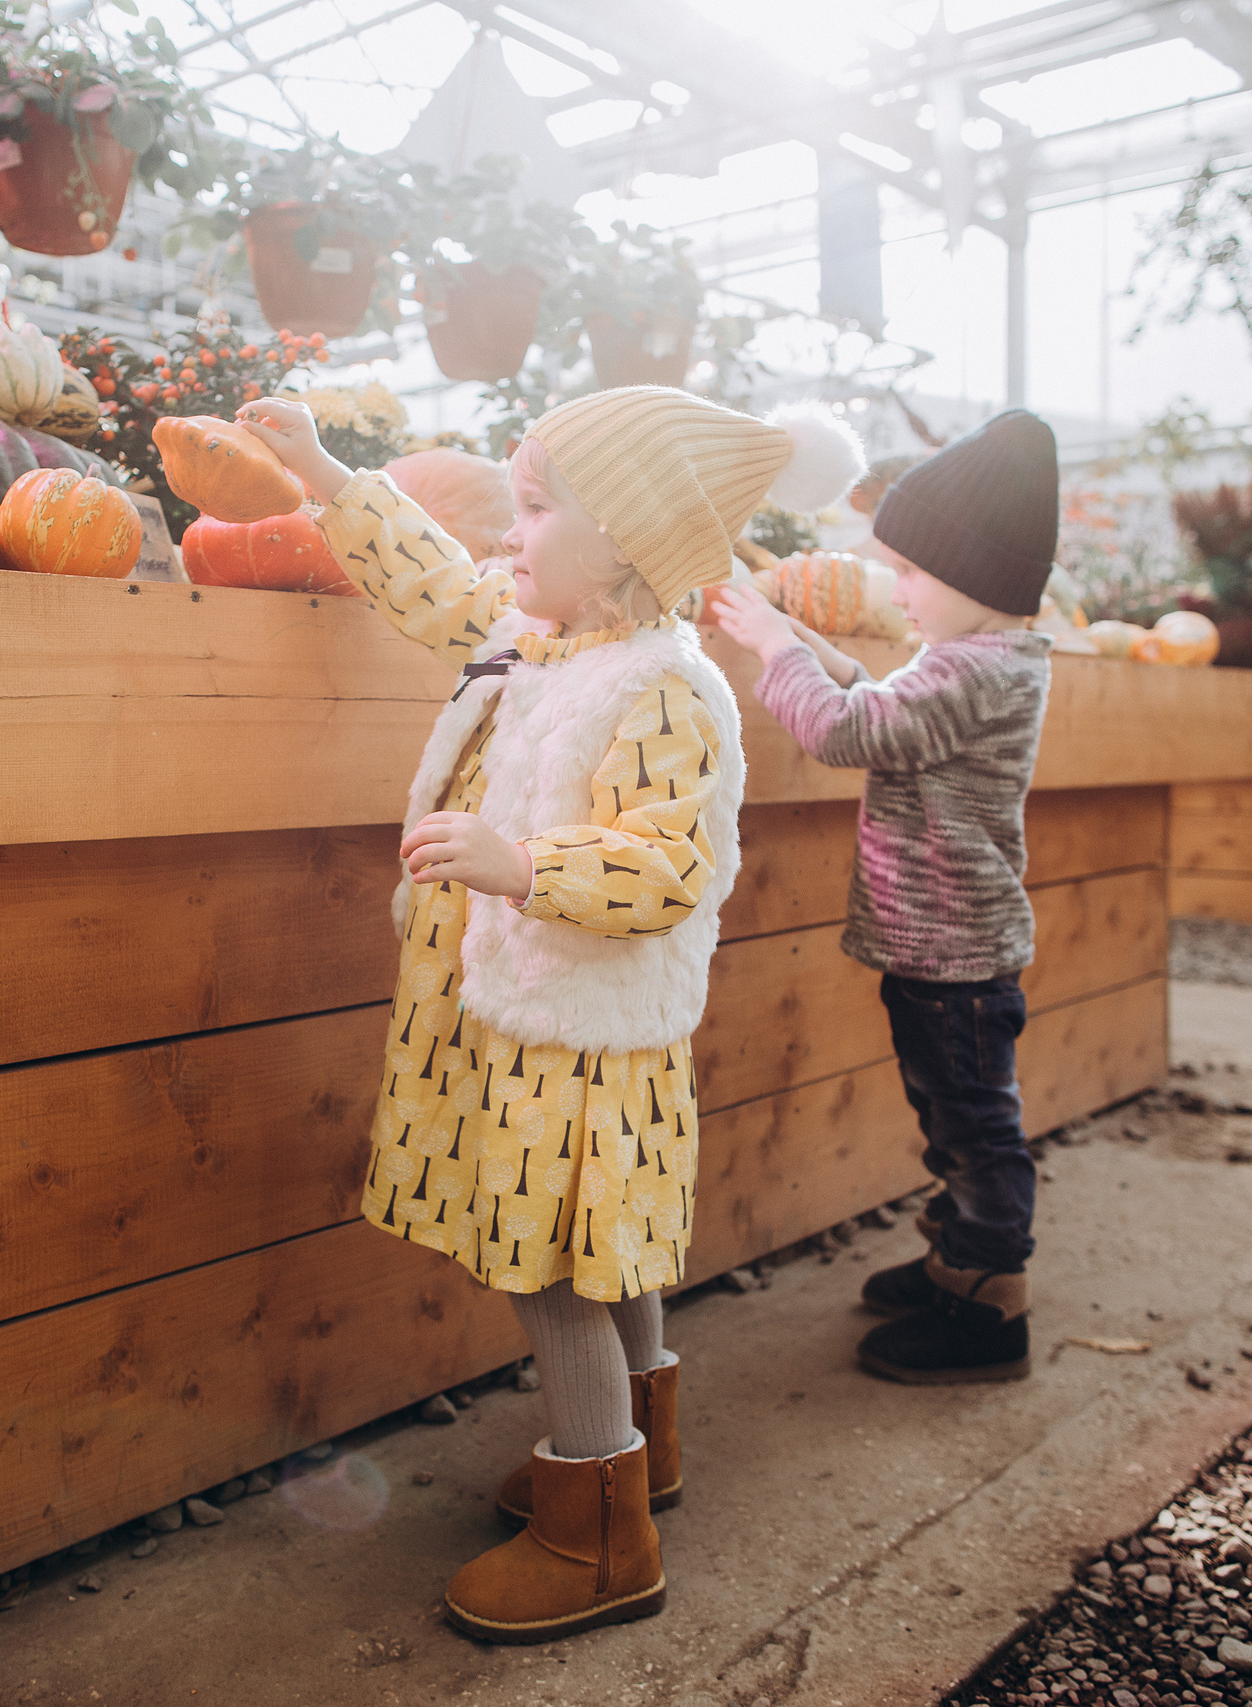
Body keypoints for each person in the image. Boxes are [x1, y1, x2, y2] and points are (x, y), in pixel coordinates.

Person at [237, 386, 860, 1642]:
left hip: (578, 1027)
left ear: (626, 538)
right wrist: (321, 469)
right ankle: (632, 1452)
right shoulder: (539, 636)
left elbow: (667, 863)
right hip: (522, 1008)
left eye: (531, 511)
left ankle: (596, 1542)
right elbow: (430, 582)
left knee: (561, 1261)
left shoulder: (666, 687)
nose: (505, 540)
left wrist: (520, 863)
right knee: (601, 1236)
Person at [702, 408, 1059, 1386]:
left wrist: (778, 652)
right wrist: (810, 644)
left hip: (954, 957)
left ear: (972, 576)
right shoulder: (975, 659)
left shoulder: (976, 669)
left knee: (973, 1127)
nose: (894, 589)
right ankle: (957, 1259)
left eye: (909, 573)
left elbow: (853, 734)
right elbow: (884, 701)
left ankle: (989, 1305)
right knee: (950, 1114)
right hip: (942, 949)